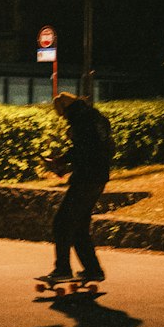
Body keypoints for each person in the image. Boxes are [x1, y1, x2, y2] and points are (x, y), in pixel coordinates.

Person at [37, 92, 113, 285]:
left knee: (61, 223)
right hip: (99, 177)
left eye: (62, 114)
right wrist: (66, 163)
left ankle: (62, 269)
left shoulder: (81, 120)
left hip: (85, 178)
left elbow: (82, 150)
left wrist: (61, 162)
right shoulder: (96, 117)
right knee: (79, 226)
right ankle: (93, 270)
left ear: (64, 108)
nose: (63, 119)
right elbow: (99, 148)